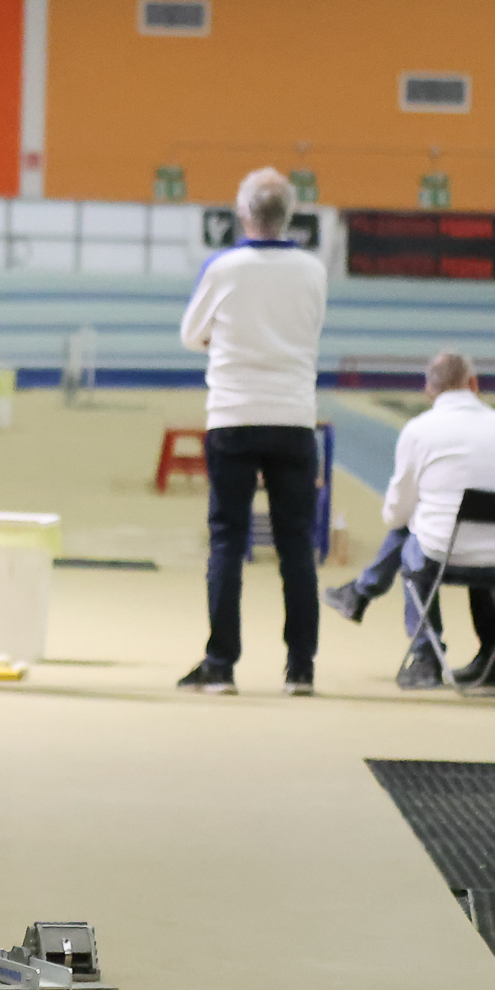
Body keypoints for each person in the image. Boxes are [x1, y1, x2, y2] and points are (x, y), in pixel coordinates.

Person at [175, 168, 328, 695]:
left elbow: (190, 335)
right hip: (293, 419)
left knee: (227, 540)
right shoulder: (313, 271)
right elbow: (309, 330)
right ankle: (300, 668)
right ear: (291, 216)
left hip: (234, 417)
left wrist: (225, 338)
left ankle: (220, 663)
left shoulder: (223, 268)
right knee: (296, 546)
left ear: (242, 213)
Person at [333, 353, 495, 690]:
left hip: (444, 553)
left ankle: (425, 657)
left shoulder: (419, 430)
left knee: (414, 543)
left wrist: (413, 517)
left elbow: (396, 513)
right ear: (474, 384)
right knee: (477, 539)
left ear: (429, 390)